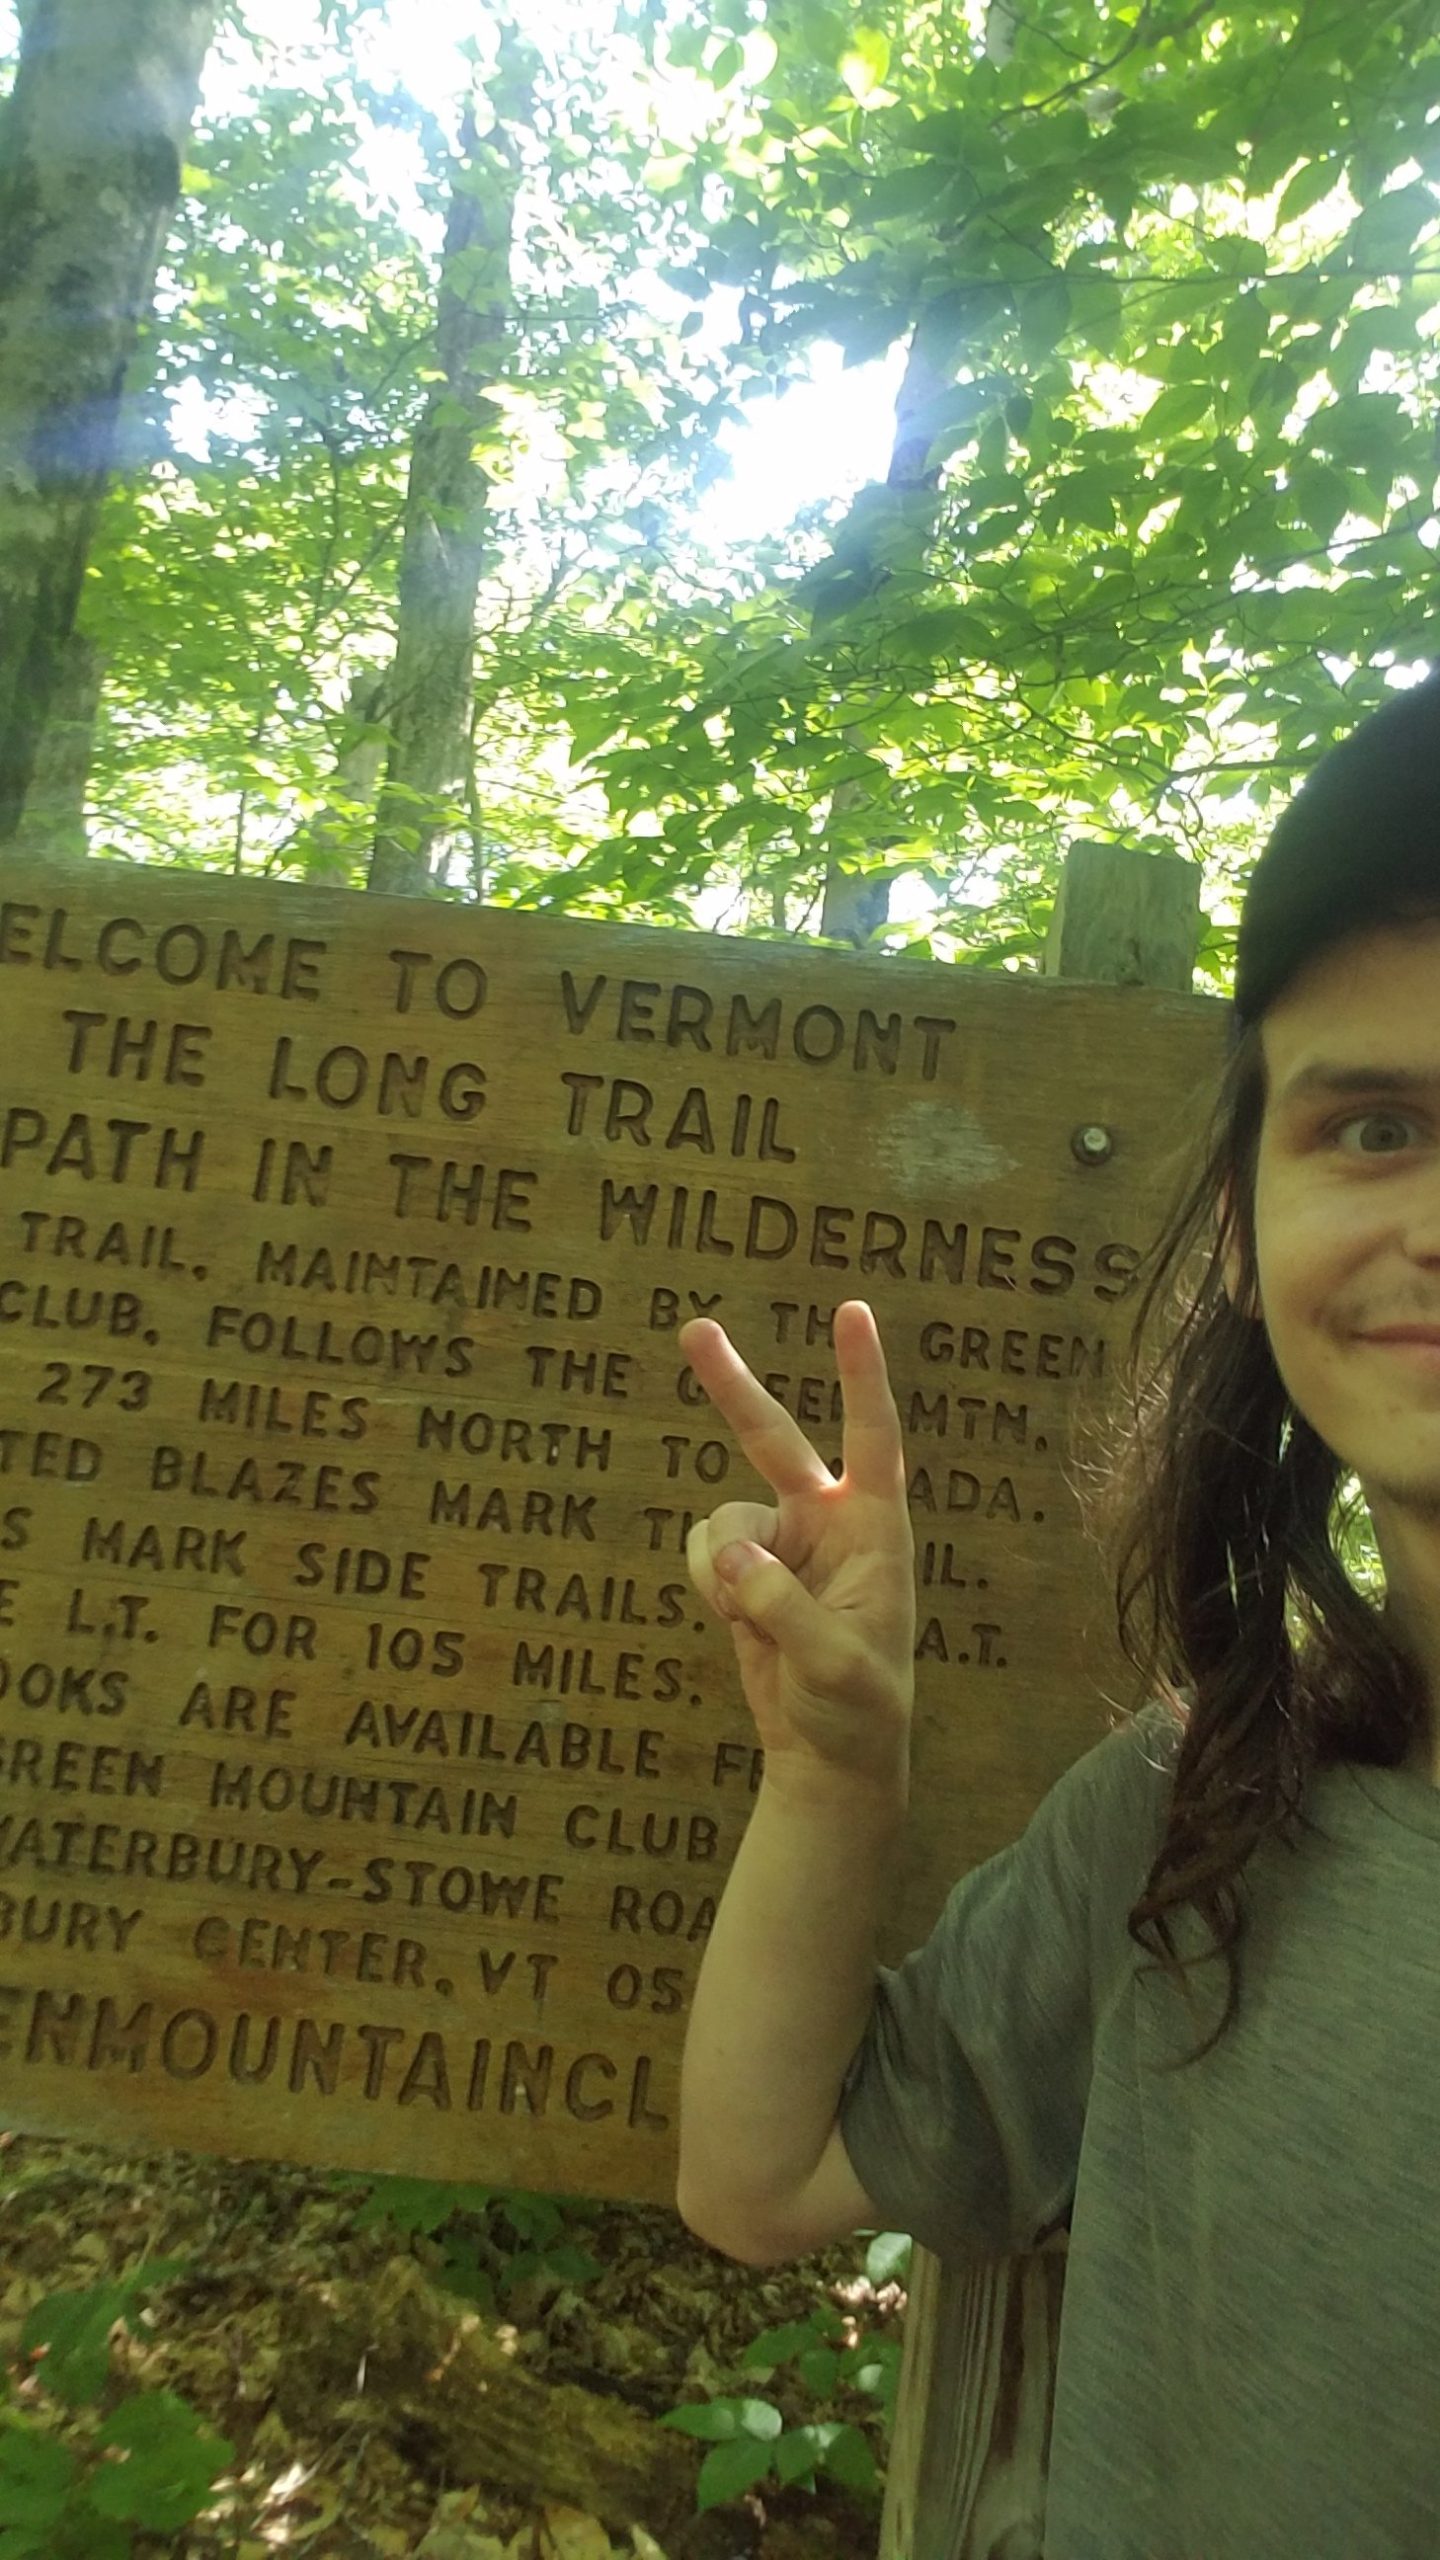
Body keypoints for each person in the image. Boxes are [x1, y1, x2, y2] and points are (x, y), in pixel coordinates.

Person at [673, 663, 1440, 2560]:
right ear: (1253, 1231)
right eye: (1373, 1127)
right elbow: (762, 2177)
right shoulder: (1199, 1817)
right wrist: (837, 1778)